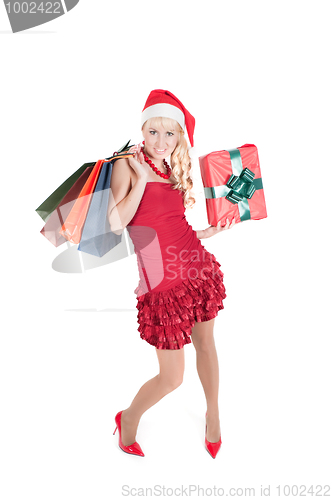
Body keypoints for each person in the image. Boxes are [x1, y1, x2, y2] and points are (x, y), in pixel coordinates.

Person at [109, 89, 235, 459]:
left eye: (170, 134)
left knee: (207, 344)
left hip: (195, 264)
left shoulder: (171, 166)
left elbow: (169, 224)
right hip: (161, 280)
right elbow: (117, 223)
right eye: (153, 132)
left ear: (179, 136)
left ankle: (213, 415)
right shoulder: (127, 164)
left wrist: (205, 233)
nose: (161, 142)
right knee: (172, 377)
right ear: (143, 130)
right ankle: (128, 418)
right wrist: (142, 180)